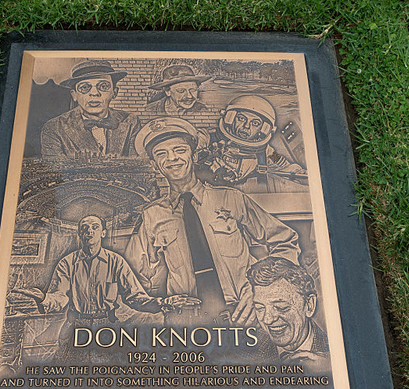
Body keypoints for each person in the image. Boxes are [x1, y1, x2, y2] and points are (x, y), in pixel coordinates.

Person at [125, 117, 300, 327]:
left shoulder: (232, 199)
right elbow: (131, 278)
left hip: (243, 316)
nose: (172, 158)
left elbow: (285, 241)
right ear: (155, 165)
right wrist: (161, 304)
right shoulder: (151, 215)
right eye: (161, 154)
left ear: (193, 154)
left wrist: (264, 290)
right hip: (186, 323)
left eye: (179, 150)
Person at [18, 215, 199, 326]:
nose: (90, 231)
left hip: (107, 327)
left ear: (103, 233)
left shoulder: (116, 262)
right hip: (75, 326)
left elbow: (135, 297)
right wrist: (44, 298)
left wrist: (163, 302)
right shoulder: (67, 263)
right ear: (80, 234)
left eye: (95, 227)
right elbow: (60, 297)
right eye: (85, 228)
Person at [202, 95, 307, 193]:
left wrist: (299, 172)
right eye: (241, 118)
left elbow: (283, 166)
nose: (246, 126)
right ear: (230, 119)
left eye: (255, 123)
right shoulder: (208, 139)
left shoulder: (266, 151)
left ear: (263, 129)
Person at [40, 60, 140, 158]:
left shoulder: (131, 122)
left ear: (114, 92)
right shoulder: (54, 128)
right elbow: (56, 172)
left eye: (103, 86)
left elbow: (136, 168)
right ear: (74, 95)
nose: (94, 93)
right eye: (84, 87)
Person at [247, 257, 329, 371]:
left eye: (281, 307)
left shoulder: (333, 353)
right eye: (259, 308)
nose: (267, 319)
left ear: (309, 305)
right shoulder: (246, 351)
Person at [144, 65, 210, 116]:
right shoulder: (149, 110)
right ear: (168, 92)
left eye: (193, 90)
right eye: (181, 91)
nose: (189, 96)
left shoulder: (202, 110)